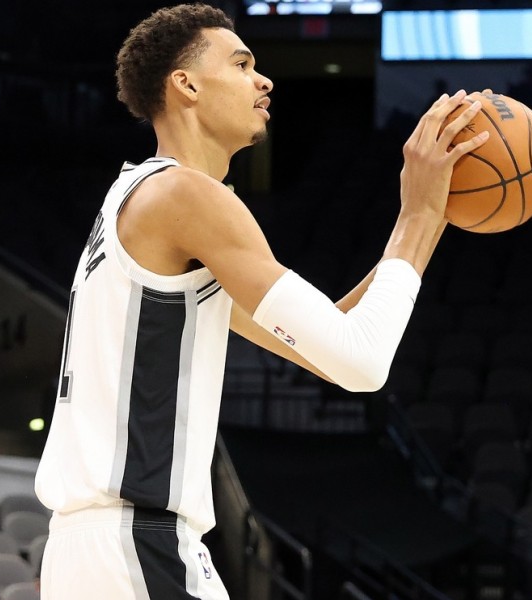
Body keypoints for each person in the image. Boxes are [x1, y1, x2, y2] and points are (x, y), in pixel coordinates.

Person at [33, 3, 488, 599]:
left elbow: (336, 338)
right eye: (242, 64)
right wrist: (419, 212)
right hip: (134, 543)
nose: (265, 79)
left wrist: (428, 222)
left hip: (104, 547)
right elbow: (363, 363)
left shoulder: (140, 194)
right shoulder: (187, 195)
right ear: (186, 84)